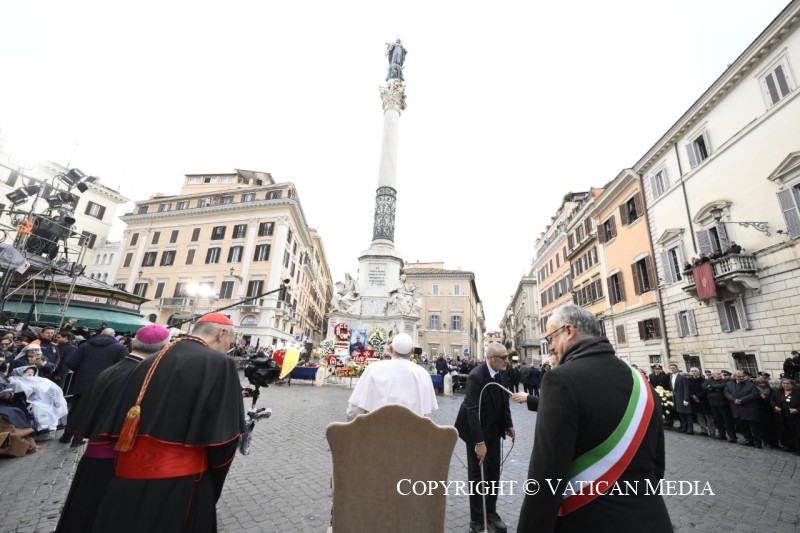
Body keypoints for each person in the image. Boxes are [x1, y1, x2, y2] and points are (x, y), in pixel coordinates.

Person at [517, 303, 670, 533]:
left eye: (551, 339)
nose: (551, 348)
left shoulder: (560, 379)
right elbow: (657, 464)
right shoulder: (640, 380)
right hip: (651, 518)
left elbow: (546, 475)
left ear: (569, 331)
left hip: (590, 520)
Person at [89, 313, 245, 532]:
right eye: (230, 341)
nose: (229, 347)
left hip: (125, 481)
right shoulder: (220, 363)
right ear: (221, 334)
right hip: (180, 485)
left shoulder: (150, 360)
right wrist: (213, 483)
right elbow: (224, 441)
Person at [56, 324, 173, 532]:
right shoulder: (144, 376)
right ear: (163, 349)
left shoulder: (111, 370)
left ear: (133, 342)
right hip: (117, 460)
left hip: (94, 454)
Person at [454, 342, 514, 533]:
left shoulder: (501, 372)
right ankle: (477, 519)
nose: (507, 361)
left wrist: (508, 424)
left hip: (494, 431)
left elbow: (504, 400)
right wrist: (479, 442)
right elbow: (472, 410)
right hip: (475, 432)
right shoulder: (476, 376)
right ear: (491, 358)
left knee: (494, 474)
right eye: (503, 358)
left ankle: (491, 513)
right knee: (477, 477)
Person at [345, 332, 438, 420]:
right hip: (409, 435)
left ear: (390, 349)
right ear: (412, 351)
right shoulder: (423, 374)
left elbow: (353, 411)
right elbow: (425, 416)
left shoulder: (373, 369)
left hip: (375, 434)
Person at [60, 328, 127, 446]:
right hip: (103, 384)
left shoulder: (85, 345)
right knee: (91, 411)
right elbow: (122, 367)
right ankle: (78, 438)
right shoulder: (119, 348)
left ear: (100, 334)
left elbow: (72, 362)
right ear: (114, 335)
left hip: (82, 381)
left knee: (75, 410)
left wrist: (81, 372)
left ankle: (66, 435)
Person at [724, 370, 762, 448]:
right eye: (739, 376)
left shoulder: (751, 385)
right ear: (735, 377)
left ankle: (757, 442)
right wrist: (734, 400)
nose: (741, 378)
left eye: (742, 376)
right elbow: (727, 393)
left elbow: (754, 394)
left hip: (749, 409)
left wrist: (742, 400)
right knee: (743, 426)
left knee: (754, 427)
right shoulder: (729, 384)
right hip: (736, 409)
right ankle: (749, 440)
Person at [772, 378, 800, 454]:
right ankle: (790, 446)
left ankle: (798, 449)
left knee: (797, 433)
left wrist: (797, 410)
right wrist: (775, 406)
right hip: (783, 416)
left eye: (788, 383)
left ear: (792, 384)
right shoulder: (779, 392)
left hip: (796, 417)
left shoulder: (797, 392)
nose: (785, 385)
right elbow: (772, 400)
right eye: (784, 383)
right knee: (786, 432)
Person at [669, 363, 693, 433]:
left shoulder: (682, 376)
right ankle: (683, 427)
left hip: (683, 397)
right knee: (681, 413)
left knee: (687, 414)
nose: (672, 369)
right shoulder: (671, 376)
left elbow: (686, 388)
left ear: (677, 368)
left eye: (673, 368)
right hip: (676, 398)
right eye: (671, 368)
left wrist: (686, 399)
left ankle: (690, 429)